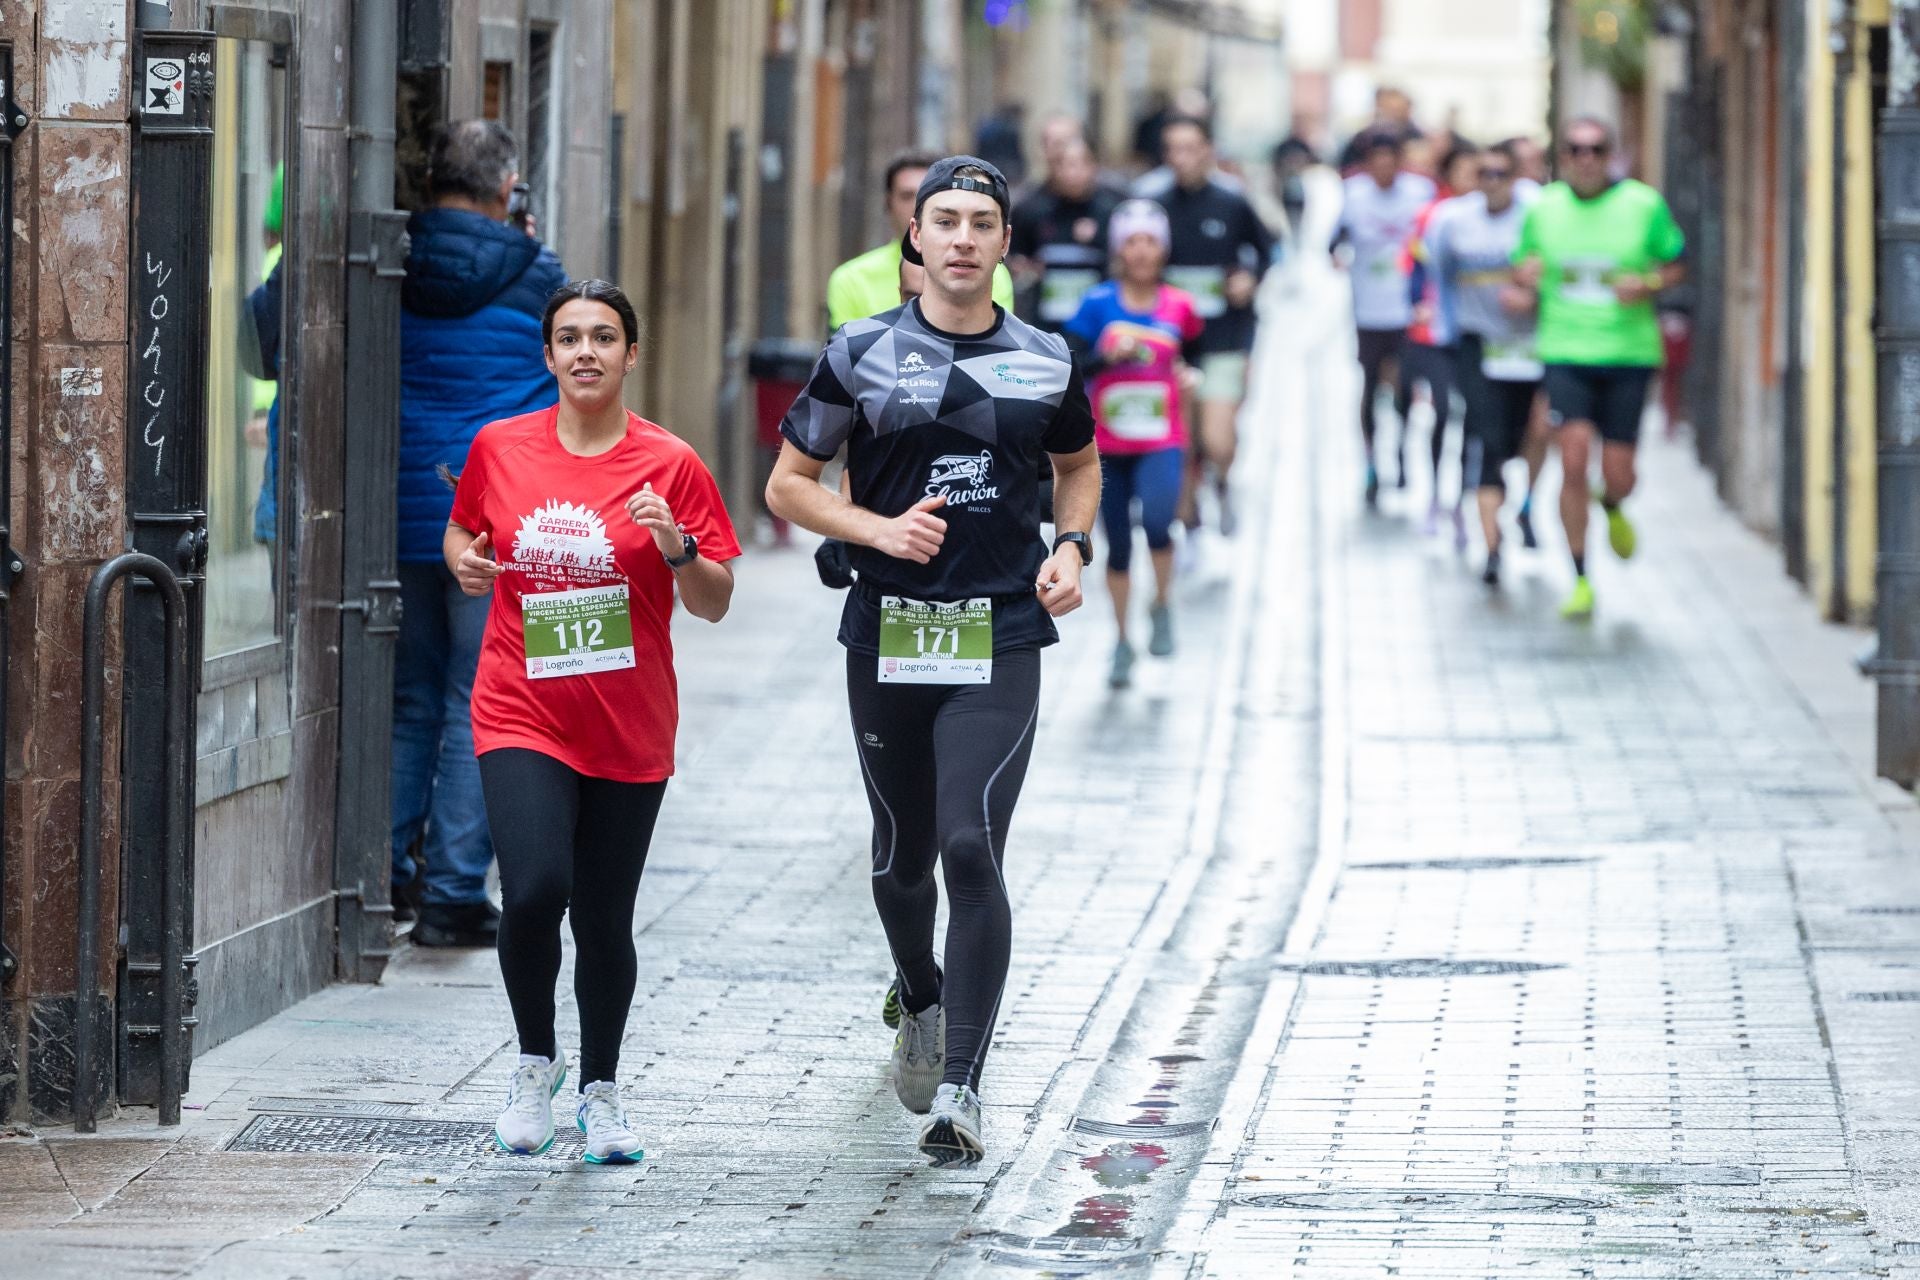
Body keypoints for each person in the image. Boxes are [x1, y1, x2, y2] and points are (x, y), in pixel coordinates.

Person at [766, 156, 1099, 1168]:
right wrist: (875, 526)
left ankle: (961, 1085)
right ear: (914, 239)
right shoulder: (861, 351)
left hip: (999, 632)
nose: (961, 239)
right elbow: (788, 484)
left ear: (1005, 245)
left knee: (970, 845)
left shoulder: (1047, 356)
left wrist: (1072, 546)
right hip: (891, 628)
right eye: (942, 221)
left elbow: (1079, 464)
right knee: (902, 858)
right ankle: (919, 988)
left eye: (981, 223)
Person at [448, 279, 741, 1162]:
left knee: (604, 918)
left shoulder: (672, 464)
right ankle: (534, 1064)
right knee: (535, 888)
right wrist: (469, 564)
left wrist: (676, 546)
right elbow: (465, 534)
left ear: (630, 354)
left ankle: (601, 1093)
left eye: (603, 337)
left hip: (627, 720)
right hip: (520, 704)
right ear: (547, 356)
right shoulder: (499, 446)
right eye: (569, 337)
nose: (585, 352)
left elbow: (716, 601)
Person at [396, 120, 567, 945]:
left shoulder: (389, 254)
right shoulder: (537, 272)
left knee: (409, 699)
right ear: (508, 190)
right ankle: (456, 891)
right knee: (478, 700)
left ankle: (388, 873)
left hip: (398, 512)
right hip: (491, 520)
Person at [1511, 117, 1685, 619]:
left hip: (1629, 354)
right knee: (1571, 461)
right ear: (1561, 157)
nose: (1585, 158)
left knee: (1619, 472)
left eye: (1596, 149)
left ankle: (1612, 503)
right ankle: (1581, 576)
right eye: (1574, 150)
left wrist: (1649, 283)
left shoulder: (1642, 205)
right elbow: (1523, 267)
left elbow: (1677, 264)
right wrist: (1523, 280)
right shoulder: (1542, 209)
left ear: (1611, 154)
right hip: (1565, 352)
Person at [1062, 199, 1202, 687]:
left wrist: (1190, 376)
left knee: (1161, 526)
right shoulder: (1097, 304)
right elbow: (1072, 367)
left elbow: (1194, 358)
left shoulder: (1180, 305)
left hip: (1162, 438)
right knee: (1117, 544)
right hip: (1107, 444)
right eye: (1131, 242)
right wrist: (1104, 356)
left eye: (1149, 241)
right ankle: (1122, 641)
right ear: (1119, 250)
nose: (1141, 251)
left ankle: (1162, 604)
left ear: (1162, 250)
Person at [1137, 115, 1272, 538]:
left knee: (1217, 439)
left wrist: (1249, 279)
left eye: (1190, 148)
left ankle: (1225, 479)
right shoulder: (1152, 203)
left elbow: (1268, 251)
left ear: (1208, 151)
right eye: (1173, 149)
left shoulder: (1232, 201)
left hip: (1224, 338)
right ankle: (1189, 520)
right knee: (1184, 440)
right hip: (1171, 342)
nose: (1182, 158)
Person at [1425, 140, 1545, 587]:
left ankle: (1527, 501)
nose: (1492, 183)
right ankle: (1492, 547)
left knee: (1533, 433)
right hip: (1478, 344)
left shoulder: (1538, 213)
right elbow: (1437, 276)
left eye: (1501, 174)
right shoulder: (1452, 221)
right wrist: (1444, 332)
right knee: (1488, 440)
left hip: (1532, 344)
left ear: (1516, 177)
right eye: (1484, 174)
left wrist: (1533, 293)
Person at [1331, 130, 1435, 504]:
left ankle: (1406, 451)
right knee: (1371, 385)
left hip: (1407, 309)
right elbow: (1334, 238)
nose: (1384, 169)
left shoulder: (1419, 192)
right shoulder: (1353, 194)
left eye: (1391, 160)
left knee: (1406, 386)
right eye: (1377, 161)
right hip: (1368, 310)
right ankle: (1372, 460)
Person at [827, 150, 1014, 333]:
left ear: (1004, 241)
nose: (917, 204)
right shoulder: (852, 278)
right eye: (907, 196)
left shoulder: (993, 272)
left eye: (982, 225)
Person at [1402, 141, 1479, 546]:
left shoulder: (1489, 217)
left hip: (1474, 333)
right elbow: (1415, 267)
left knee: (1470, 418)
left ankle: (1462, 500)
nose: (1473, 181)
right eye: (1464, 172)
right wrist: (1417, 305)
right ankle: (1433, 493)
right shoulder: (1432, 216)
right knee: (1442, 409)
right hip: (1432, 334)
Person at [1009, 138, 1121, 330]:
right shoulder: (1032, 210)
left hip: (1097, 321)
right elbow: (1016, 257)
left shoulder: (1111, 210)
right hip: (1046, 319)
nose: (1073, 173)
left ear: (1093, 167)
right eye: (1066, 166)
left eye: (1080, 165)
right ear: (1054, 169)